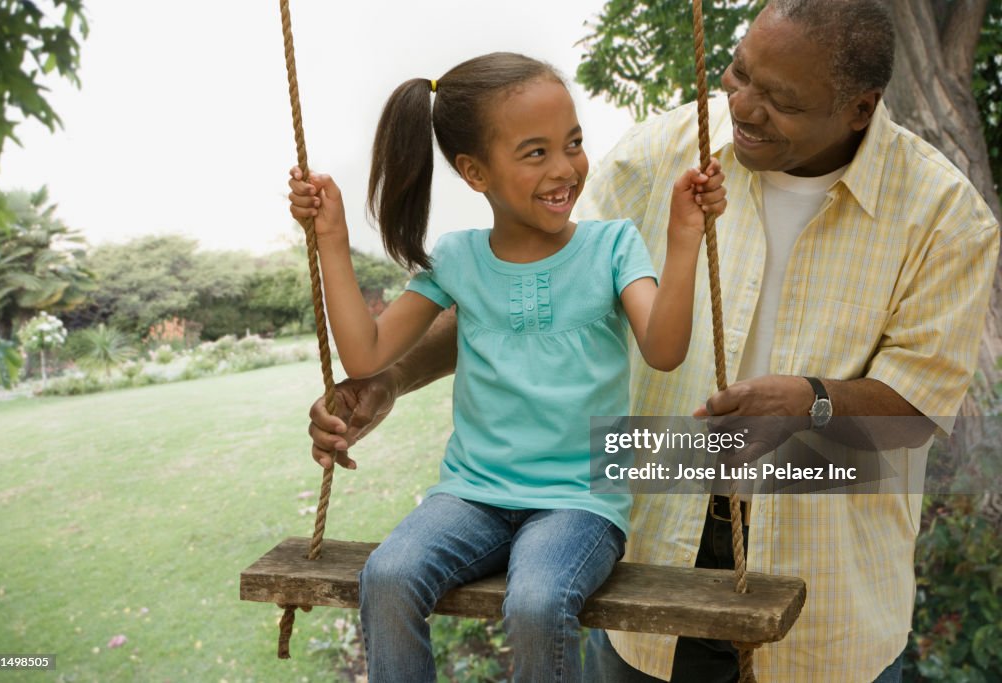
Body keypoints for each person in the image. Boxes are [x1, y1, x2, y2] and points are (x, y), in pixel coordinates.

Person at [295, 2, 1000, 681]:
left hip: (827, 587)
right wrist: (386, 379)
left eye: (779, 98)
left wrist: (812, 404)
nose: (744, 104)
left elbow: (914, 414)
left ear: (860, 108)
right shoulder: (665, 151)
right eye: (740, 71)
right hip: (656, 533)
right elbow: (522, 293)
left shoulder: (945, 218)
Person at [287, 52, 727, 682]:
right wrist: (330, 239)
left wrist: (684, 238)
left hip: (578, 502)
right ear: (474, 172)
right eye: (535, 152)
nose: (565, 168)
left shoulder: (612, 246)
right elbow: (367, 355)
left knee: (540, 600)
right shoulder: (458, 258)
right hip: (472, 494)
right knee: (386, 575)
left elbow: (663, 347)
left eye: (572, 143)